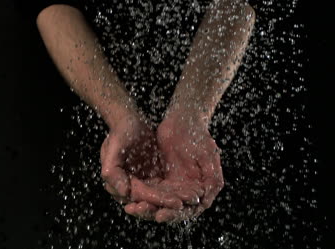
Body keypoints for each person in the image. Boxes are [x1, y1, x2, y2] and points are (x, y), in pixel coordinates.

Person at [36, 0, 255, 223]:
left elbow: (237, 4)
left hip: (213, 134)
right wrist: (119, 115)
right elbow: (54, 8)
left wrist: (191, 114)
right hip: (89, 137)